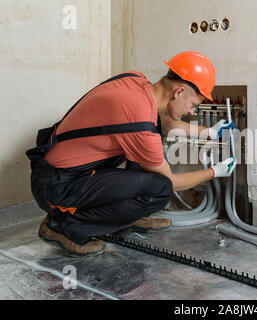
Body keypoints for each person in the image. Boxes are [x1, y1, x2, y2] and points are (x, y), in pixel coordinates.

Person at [25, 51, 236, 257]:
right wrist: (215, 172)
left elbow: (161, 122)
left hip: (66, 170)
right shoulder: (138, 118)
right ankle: (62, 226)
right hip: (57, 185)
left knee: (144, 156)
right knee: (160, 188)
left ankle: (127, 217)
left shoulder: (137, 84)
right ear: (179, 92)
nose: (192, 112)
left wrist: (210, 132)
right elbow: (171, 182)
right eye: (193, 105)